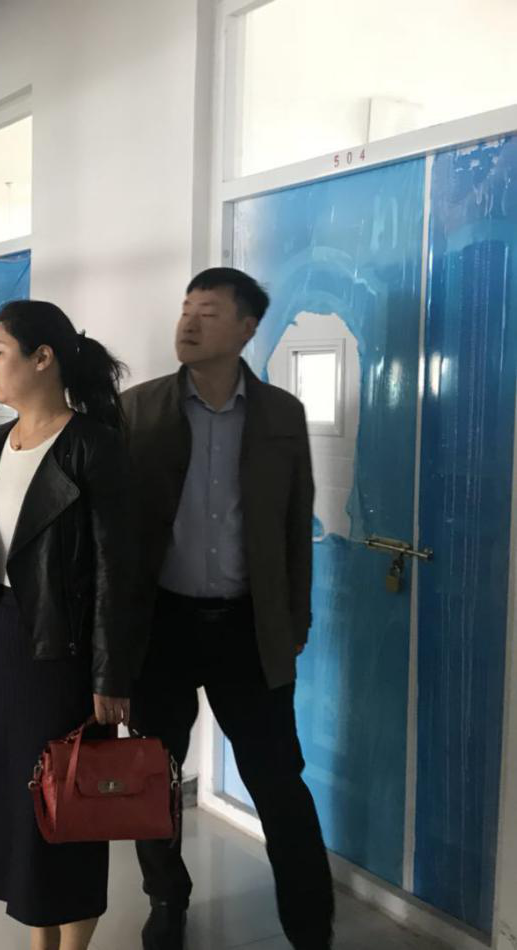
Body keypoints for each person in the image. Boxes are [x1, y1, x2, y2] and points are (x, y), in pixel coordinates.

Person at [122, 267, 334, 950]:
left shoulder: (281, 416)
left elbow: (295, 524)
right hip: (162, 625)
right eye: (185, 308)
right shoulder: (137, 410)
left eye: (208, 312)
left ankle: (310, 925)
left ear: (246, 328)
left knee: (279, 781)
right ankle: (166, 897)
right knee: (153, 776)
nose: (188, 322)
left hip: (248, 626)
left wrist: (294, 622)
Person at [0, 300, 137, 950]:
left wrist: (110, 675)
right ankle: (38, 938)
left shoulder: (92, 447)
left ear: (43, 358)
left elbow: (117, 572)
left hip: (66, 650)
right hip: (4, 638)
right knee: (19, 799)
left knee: (68, 802)